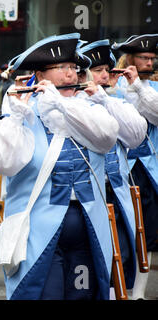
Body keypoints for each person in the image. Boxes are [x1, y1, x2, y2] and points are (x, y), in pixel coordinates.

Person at [0, 33, 120, 300]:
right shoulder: (22, 112)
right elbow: (1, 163)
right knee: (46, 294)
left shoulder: (88, 107)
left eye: (73, 68)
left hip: (87, 224)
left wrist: (61, 104)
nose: (70, 75)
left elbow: (106, 138)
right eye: (62, 69)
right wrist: (15, 117)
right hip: (39, 227)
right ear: (40, 75)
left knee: (82, 295)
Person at [78, 39, 148, 297]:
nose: (105, 75)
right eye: (97, 71)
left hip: (115, 191)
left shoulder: (116, 101)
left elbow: (136, 136)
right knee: (89, 258)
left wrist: (104, 100)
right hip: (85, 194)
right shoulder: (72, 104)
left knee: (122, 255)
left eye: (107, 69)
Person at [111, 33, 158, 300]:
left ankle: (138, 294)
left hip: (149, 169)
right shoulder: (113, 85)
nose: (150, 62)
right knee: (119, 228)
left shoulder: (154, 87)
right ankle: (115, 289)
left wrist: (140, 86)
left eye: (153, 58)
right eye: (144, 58)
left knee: (146, 232)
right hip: (118, 167)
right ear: (131, 58)